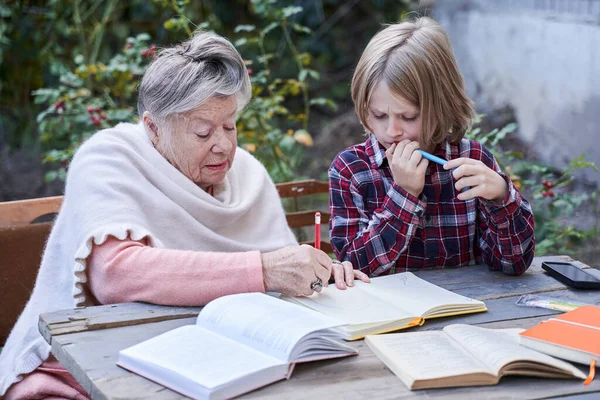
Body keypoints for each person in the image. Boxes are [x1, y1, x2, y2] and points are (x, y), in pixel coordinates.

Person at [0, 31, 369, 399]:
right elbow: (114, 275)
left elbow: (286, 280)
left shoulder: (247, 173)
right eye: (203, 132)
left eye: (230, 126)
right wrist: (266, 270)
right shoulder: (107, 157)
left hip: (209, 364)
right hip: (79, 371)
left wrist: (317, 275)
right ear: (153, 128)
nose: (223, 145)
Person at [329, 17, 535, 277]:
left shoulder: (471, 160)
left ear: (442, 107)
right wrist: (404, 194)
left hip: (468, 311)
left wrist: (501, 198)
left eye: (408, 116)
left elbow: (513, 264)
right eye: (379, 115)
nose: (392, 131)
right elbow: (354, 266)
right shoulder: (351, 169)